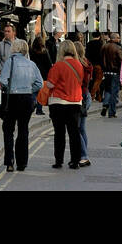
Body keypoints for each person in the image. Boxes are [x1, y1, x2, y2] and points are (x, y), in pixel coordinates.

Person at [0, 39, 44, 172]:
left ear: (14, 49)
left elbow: (3, 80)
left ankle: (10, 161)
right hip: (27, 98)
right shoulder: (31, 64)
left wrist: (12, 87)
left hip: (12, 98)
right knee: (23, 130)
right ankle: (22, 162)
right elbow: (39, 84)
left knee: (8, 129)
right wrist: (28, 88)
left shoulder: (9, 62)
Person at [42, 40, 86, 170]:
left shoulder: (58, 66)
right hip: (75, 102)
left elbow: (51, 84)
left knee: (59, 133)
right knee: (74, 133)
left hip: (58, 102)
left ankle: (59, 160)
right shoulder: (79, 65)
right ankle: (75, 161)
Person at [0, 23, 21, 111]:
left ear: (14, 32)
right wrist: (2, 70)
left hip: (18, 76)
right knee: (5, 96)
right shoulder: (0, 45)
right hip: (5, 76)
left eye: (8, 31)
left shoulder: (20, 44)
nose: (6, 33)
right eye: (5, 31)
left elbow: (26, 58)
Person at [74, 40, 93, 164]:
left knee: (76, 128)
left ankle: (84, 155)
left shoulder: (78, 65)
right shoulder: (87, 63)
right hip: (87, 95)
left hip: (80, 96)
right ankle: (83, 154)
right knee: (82, 128)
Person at [100, 36, 122, 117]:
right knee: (114, 92)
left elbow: (101, 58)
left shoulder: (104, 46)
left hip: (106, 72)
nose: (119, 39)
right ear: (115, 38)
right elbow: (121, 61)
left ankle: (105, 104)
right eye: (118, 37)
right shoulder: (117, 48)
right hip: (115, 72)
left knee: (107, 90)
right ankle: (112, 112)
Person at [30, 36, 52, 116]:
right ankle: (39, 109)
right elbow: (49, 64)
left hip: (33, 73)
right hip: (43, 74)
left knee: (34, 90)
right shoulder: (45, 52)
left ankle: (33, 103)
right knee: (41, 92)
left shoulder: (31, 51)